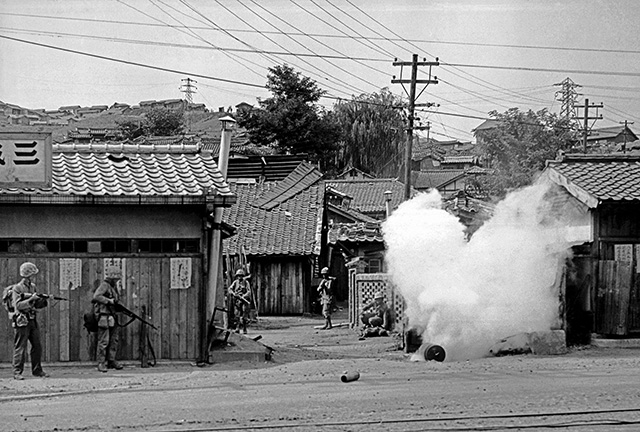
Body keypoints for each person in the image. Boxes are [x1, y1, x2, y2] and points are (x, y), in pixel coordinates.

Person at [10, 262, 50, 380]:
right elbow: (17, 305)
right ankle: (17, 372)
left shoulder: (32, 286)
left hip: (32, 319)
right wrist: (31, 299)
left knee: (37, 346)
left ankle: (37, 370)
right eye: (32, 273)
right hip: (21, 320)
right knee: (20, 346)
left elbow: (35, 304)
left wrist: (42, 300)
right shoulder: (17, 288)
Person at [92, 265, 124, 372]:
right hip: (104, 316)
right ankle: (101, 363)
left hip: (112, 316)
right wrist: (108, 301)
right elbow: (96, 296)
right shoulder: (105, 285)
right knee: (103, 341)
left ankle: (111, 360)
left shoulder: (113, 287)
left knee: (114, 340)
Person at [228, 269, 251, 334]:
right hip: (237, 301)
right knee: (237, 315)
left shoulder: (246, 282)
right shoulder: (235, 282)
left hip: (244, 301)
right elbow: (230, 289)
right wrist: (233, 293)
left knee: (244, 316)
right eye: (238, 276)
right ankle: (237, 328)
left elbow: (249, 292)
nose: (239, 277)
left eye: (241, 276)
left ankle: (244, 328)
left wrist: (243, 296)